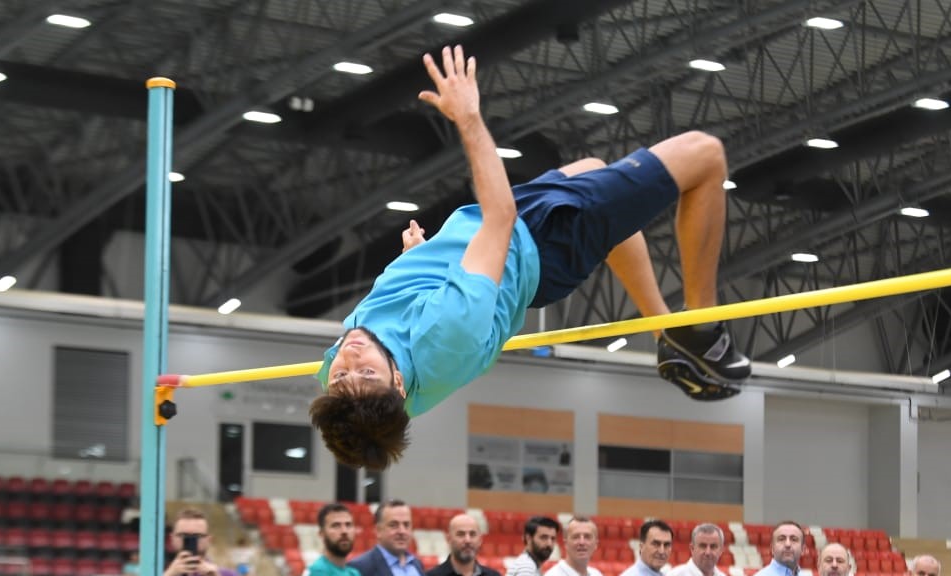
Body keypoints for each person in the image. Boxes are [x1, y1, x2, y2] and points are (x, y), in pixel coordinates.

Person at [310, 45, 750, 471]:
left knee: (593, 168)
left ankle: (663, 332)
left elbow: (363, 390)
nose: (349, 358)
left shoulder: (352, 387)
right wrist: (468, 118)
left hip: (502, 245)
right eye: (366, 373)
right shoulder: (447, 332)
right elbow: (500, 217)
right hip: (543, 239)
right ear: (400, 386)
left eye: (341, 376)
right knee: (705, 155)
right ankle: (699, 331)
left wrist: (418, 264)